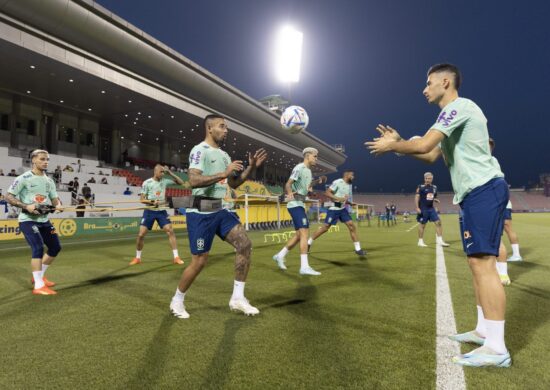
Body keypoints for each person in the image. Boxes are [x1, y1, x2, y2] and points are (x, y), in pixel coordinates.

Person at [365, 63, 511, 367]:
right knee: (476, 264)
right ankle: (484, 329)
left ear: (446, 82)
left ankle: (497, 348)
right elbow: (430, 154)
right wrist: (398, 146)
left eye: (429, 83)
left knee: (484, 263)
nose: (424, 88)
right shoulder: (451, 116)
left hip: (484, 189)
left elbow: (425, 144)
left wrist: (397, 145)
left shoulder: (458, 107)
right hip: (473, 194)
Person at [169, 114, 267, 319]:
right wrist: (224, 173)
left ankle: (238, 298)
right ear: (210, 128)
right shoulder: (199, 150)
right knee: (199, 262)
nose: (226, 130)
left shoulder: (224, 155)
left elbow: (233, 184)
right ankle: (177, 300)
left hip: (220, 210)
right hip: (201, 213)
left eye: (226, 127)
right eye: (222, 126)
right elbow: (194, 180)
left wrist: (250, 167)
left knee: (245, 244)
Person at [5, 149, 62, 295]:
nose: (46, 162)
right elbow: (9, 196)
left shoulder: (50, 180)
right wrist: (26, 206)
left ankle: (39, 277)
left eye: (47, 159)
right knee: (37, 247)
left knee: (55, 247)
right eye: (42, 159)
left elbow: (54, 198)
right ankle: (38, 286)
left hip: (45, 221)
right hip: (28, 221)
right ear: (34, 160)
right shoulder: (24, 178)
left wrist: (58, 204)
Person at [272, 147, 327, 275]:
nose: (316, 159)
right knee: (304, 233)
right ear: (307, 156)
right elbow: (288, 183)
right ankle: (304, 267)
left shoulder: (308, 171)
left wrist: (318, 182)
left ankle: (280, 255)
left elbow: (307, 187)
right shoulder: (299, 168)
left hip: (300, 204)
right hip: (294, 204)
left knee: (298, 235)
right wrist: (290, 193)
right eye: (315, 156)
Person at [129, 164, 186, 266]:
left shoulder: (165, 181)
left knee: (170, 231)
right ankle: (137, 258)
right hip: (149, 211)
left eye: (164, 172)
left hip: (161, 211)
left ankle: (176, 257)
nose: (163, 174)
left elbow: (181, 183)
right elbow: (142, 199)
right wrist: (152, 202)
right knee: (141, 234)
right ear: (155, 172)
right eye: (161, 172)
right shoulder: (147, 183)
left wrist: (170, 173)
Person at [307, 170, 366, 258]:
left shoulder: (348, 185)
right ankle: (308, 242)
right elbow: (327, 192)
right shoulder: (338, 182)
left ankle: (358, 249)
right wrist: (338, 198)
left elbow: (344, 199)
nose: (353, 177)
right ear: (347, 175)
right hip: (334, 209)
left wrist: (350, 203)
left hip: (342, 209)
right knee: (325, 228)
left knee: (351, 225)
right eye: (352, 175)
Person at [415, 172, 449, 247]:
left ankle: (440, 241)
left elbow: (433, 196)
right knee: (422, 225)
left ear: (432, 179)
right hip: (423, 209)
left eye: (429, 178)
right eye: (426, 178)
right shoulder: (420, 187)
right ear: (424, 179)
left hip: (431, 208)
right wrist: (417, 207)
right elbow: (417, 197)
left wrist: (435, 199)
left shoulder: (434, 187)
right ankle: (420, 241)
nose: (428, 180)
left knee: (438, 222)